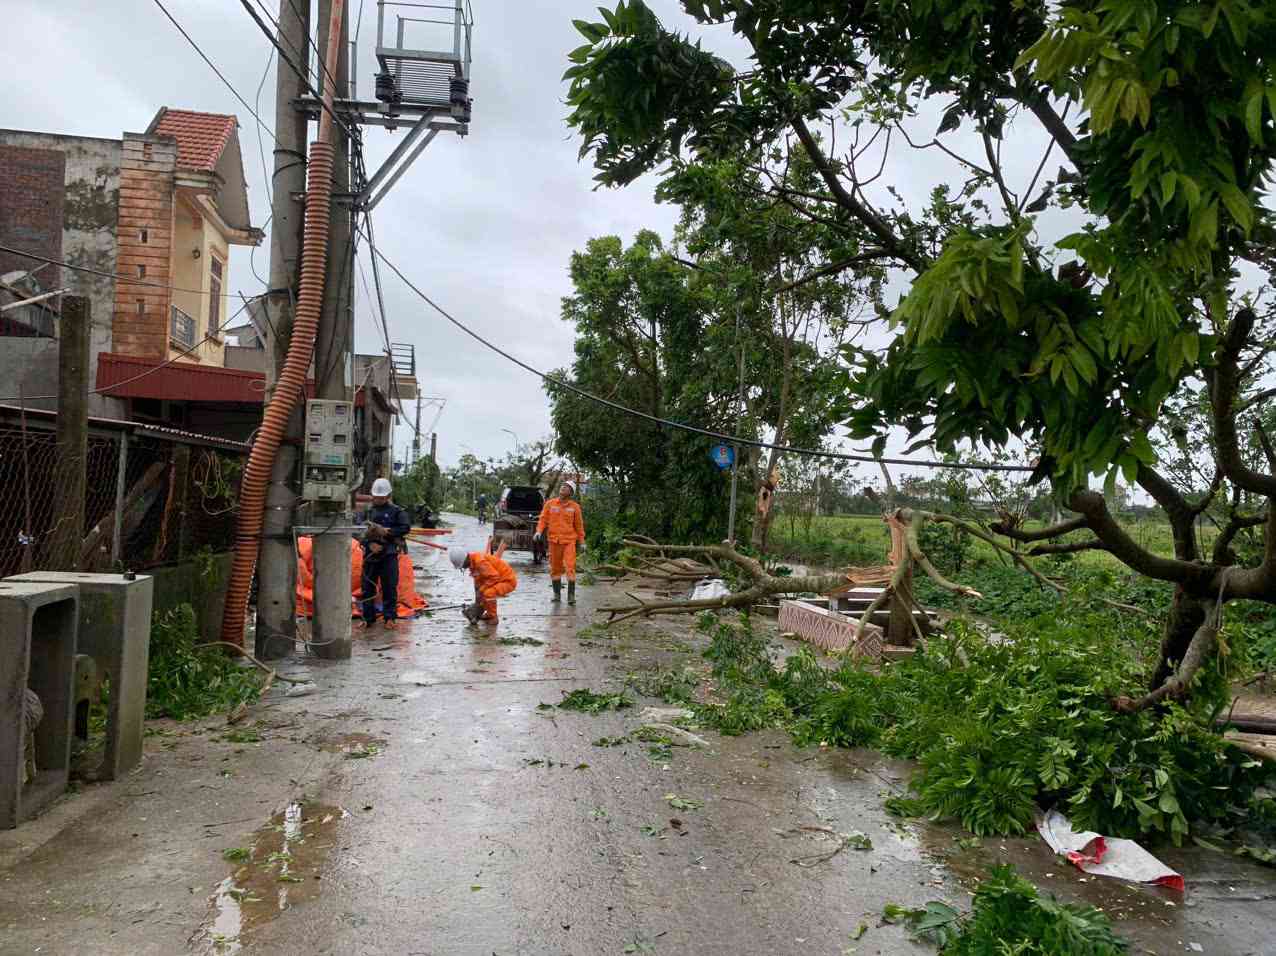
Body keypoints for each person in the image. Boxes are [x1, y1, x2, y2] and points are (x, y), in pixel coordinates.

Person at [359, 477, 411, 630]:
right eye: (376, 497)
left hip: (388, 554)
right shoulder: (367, 512)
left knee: (390, 587)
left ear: (388, 496)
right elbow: (358, 530)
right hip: (370, 554)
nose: (378, 500)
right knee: (367, 587)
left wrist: (387, 532)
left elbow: (405, 528)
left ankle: (390, 617)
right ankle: (368, 618)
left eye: (381, 498)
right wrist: (369, 543)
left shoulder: (397, 511)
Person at [534, 479, 586, 605]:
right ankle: (557, 595)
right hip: (554, 541)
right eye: (562, 486)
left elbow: (579, 526)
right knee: (555, 568)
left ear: (571, 492)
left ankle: (571, 596)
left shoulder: (575, 507)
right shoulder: (550, 504)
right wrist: (538, 532)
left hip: (569, 541)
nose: (563, 488)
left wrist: (582, 542)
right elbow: (543, 520)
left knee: (570, 566)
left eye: (566, 487)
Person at [450, 545, 517, 625]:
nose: (463, 568)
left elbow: (494, 577)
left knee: (488, 593)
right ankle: (488, 614)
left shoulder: (479, 562)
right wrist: (477, 602)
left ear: (465, 560)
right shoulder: (473, 563)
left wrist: (481, 590)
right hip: (499, 579)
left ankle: (493, 617)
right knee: (483, 593)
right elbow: (478, 583)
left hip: (508, 581)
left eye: (462, 566)